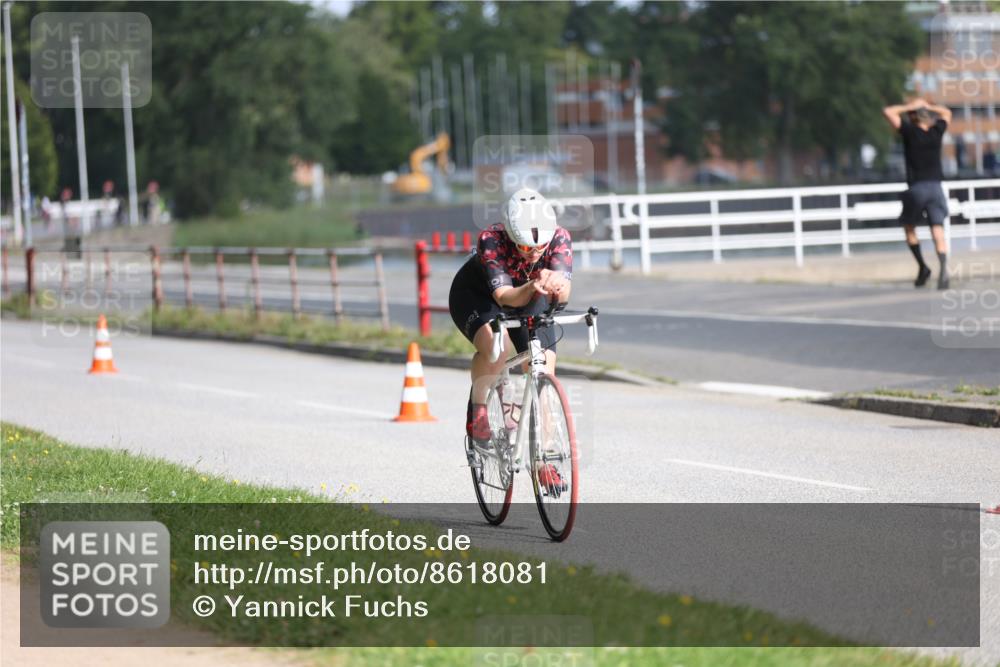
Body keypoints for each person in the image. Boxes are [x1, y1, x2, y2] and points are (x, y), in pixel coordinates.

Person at [449, 188, 572, 452]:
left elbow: (563, 295)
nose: (534, 253)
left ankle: (545, 459)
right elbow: (505, 296)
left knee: (542, 369)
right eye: (526, 247)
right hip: (480, 296)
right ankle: (479, 410)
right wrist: (534, 285)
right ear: (511, 236)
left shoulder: (559, 237)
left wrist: (557, 285)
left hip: (529, 296)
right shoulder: (491, 239)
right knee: (498, 348)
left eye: (541, 247)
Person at [882, 98, 953, 289]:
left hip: (917, 188)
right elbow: (947, 113)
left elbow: (889, 111)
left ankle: (923, 266)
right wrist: (929, 106)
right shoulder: (936, 132)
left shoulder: (909, 132)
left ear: (913, 117)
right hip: (936, 187)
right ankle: (944, 270)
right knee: (937, 228)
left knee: (909, 226)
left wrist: (909, 107)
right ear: (928, 117)